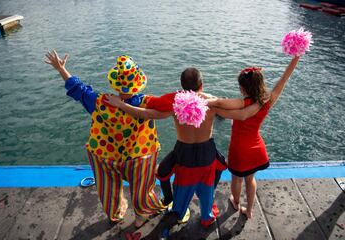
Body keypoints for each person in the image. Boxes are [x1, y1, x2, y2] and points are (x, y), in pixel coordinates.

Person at [105, 67, 268, 228]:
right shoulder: (211, 102)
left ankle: (176, 212)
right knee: (207, 189)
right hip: (207, 154)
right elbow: (241, 113)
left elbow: (146, 113)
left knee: (177, 185)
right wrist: (259, 101)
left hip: (184, 155)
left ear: (182, 86)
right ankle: (206, 217)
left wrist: (121, 104)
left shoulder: (175, 104)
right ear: (201, 85)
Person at [44, 51, 168, 227]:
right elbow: (167, 107)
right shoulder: (146, 103)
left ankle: (115, 213)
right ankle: (141, 216)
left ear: (116, 83)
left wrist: (61, 69)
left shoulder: (99, 102)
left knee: (108, 189)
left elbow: (77, 88)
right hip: (140, 157)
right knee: (142, 188)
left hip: (105, 156)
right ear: (137, 83)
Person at [208, 56, 300, 219]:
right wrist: (296, 57)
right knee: (250, 180)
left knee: (237, 179)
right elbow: (284, 78)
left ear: (243, 88)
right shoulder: (267, 100)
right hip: (257, 148)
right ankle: (249, 210)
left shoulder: (243, 103)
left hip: (239, 150)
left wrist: (204, 100)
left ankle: (236, 203)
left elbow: (221, 104)